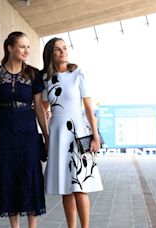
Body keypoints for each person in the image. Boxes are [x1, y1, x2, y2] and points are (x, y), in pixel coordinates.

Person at [0, 31, 49, 228]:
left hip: (28, 131)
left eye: (28, 47)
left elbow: (38, 107)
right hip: (4, 131)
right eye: (22, 46)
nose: (26, 50)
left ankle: (32, 226)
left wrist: (46, 135)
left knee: (30, 175)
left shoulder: (34, 74)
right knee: (8, 175)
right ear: (10, 48)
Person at [41, 37, 103, 228]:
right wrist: (46, 134)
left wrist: (95, 135)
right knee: (66, 188)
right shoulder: (45, 79)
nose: (63, 52)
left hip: (78, 133)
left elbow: (88, 107)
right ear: (51, 53)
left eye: (65, 48)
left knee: (80, 186)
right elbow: (42, 107)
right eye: (58, 49)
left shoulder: (78, 73)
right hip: (58, 134)